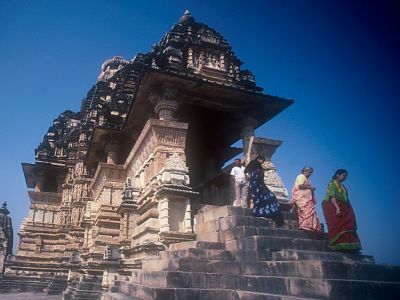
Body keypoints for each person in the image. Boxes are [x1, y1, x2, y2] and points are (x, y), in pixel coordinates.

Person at [322, 169, 362, 253]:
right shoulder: (333, 184)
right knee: (339, 226)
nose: (345, 178)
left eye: (345, 176)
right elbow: (332, 197)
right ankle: (338, 245)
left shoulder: (342, 186)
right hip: (335, 207)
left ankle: (350, 246)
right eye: (343, 175)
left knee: (348, 226)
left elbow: (345, 198)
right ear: (337, 175)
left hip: (345, 208)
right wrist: (337, 208)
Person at [244, 155, 284, 226]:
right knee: (262, 198)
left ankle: (264, 212)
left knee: (268, 197)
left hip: (258, 184)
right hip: (256, 185)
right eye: (261, 159)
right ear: (258, 159)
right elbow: (249, 173)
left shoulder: (257, 166)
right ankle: (260, 212)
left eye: (263, 160)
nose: (262, 161)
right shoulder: (255, 164)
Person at [291, 166, 322, 232]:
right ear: (304, 171)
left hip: (307, 198)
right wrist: (310, 187)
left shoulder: (307, 179)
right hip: (301, 197)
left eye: (311, 173)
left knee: (310, 210)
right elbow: (300, 185)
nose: (310, 174)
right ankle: (305, 225)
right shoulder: (301, 176)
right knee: (306, 210)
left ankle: (309, 226)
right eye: (309, 172)